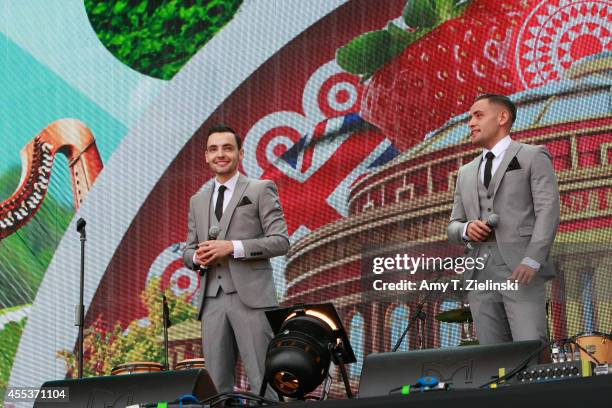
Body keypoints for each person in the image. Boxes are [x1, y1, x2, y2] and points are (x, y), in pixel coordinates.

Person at [183, 124, 289, 397]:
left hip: (251, 299)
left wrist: (232, 247)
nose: (221, 154)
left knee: (263, 381)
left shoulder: (260, 189)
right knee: (216, 388)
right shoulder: (197, 200)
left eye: (227, 148)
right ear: (206, 156)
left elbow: (280, 241)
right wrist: (197, 257)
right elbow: (188, 251)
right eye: (214, 149)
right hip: (212, 302)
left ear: (241, 153)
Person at [448, 94, 560, 345]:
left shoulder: (533, 156)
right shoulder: (465, 173)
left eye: (478, 115)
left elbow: (548, 211)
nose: (470, 123)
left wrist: (532, 259)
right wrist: (466, 229)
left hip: (520, 270)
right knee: (492, 358)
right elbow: (453, 224)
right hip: (479, 274)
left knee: (528, 348)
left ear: (502, 117)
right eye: (469, 117)